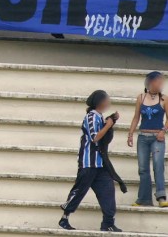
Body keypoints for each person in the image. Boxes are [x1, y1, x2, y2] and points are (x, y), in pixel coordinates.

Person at [59, 90, 121, 232]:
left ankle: (108, 223)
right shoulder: (91, 117)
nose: (109, 102)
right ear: (101, 102)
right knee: (79, 191)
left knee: (108, 192)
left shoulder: (100, 117)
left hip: (100, 164)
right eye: (107, 99)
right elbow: (95, 137)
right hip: (88, 163)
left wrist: (111, 121)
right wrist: (108, 124)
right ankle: (64, 218)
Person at [127, 72, 168, 208]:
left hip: (157, 137)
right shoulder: (141, 97)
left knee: (158, 165)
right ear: (150, 83)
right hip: (143, 136)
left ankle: (161, 196)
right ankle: (144, 198)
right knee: (143, 168)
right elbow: (136, 117)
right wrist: (131, 133)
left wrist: (163, 131)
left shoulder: (164, 99)